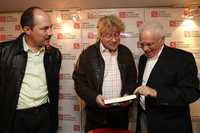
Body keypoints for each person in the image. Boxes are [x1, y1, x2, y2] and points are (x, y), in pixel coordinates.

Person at [0, 7, 62, 133]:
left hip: (44, 117)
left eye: (51, 27)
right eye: (44, 28)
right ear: (27, 29)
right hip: (15, 119)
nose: (50, 33)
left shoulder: (54, 54)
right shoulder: (3, 52)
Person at [73, 15, 137, 132]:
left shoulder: (126, 52)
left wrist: (127, 93)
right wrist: (95, 97)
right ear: (100, 35)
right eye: (108, 35)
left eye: (116, 34)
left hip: (120, 115)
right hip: (96, 115)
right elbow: (79, 84)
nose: (114, 39)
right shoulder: (88, 54)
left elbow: (132, 79)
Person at [134, 21, 200, 133]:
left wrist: (156, 93)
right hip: (144, 120)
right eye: (142, 44)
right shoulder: (142, 59)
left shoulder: (183, 58)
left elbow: (192, 92)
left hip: (170, 125)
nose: (145, 49)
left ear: (162, 39)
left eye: (149, 44)